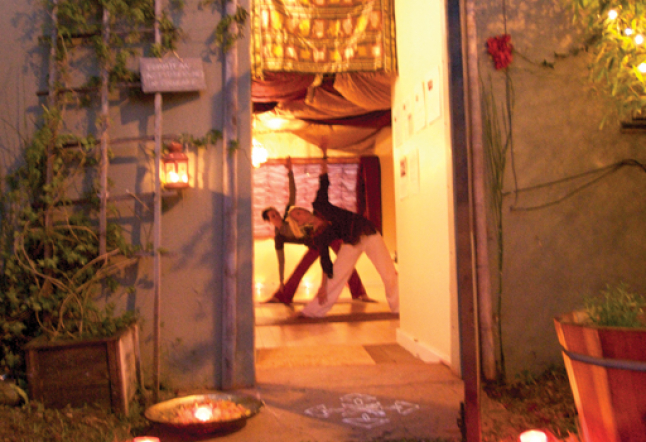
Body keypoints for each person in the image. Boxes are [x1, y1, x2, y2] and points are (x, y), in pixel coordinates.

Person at [287, 150, 399, 318]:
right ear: (300, 223)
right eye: (298, 215)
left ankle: (399, 309)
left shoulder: (320, 205)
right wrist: (323, 286)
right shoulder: (319, 235)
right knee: (337, 275)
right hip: (350, 241)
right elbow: (326, 263)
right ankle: (312, 312)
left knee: (388, 273)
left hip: (367, 231)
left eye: (300, 210)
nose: (301, 212)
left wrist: (324, 156)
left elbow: (324, 181)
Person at [261, 157, 373, 304]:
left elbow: (292, 193)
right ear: (269, 221)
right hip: (315, 241)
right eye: (272, 216)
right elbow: (281, 261)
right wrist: (281, 281)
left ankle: (359, 294)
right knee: (300, 268)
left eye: (276, 213)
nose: (276, 216)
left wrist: (290, 171)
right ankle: (283, 294)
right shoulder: (279, 237)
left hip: (328, 232)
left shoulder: (290, 215)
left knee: (345, 261)